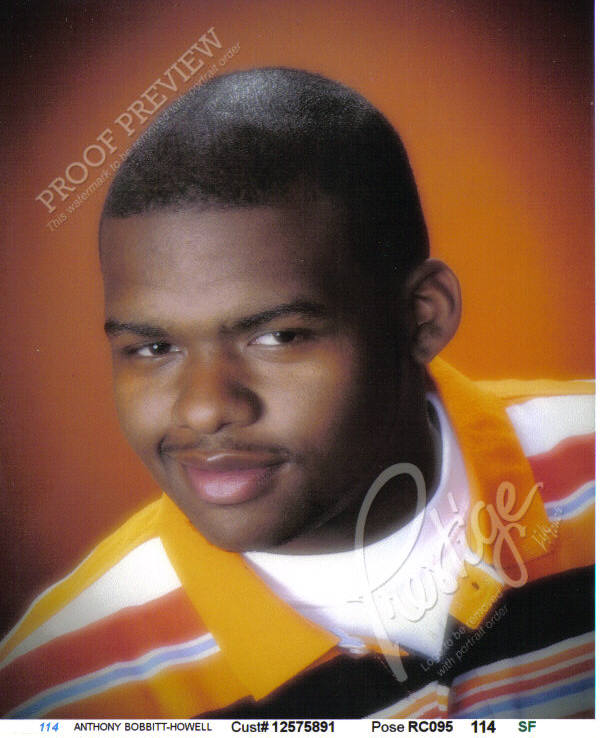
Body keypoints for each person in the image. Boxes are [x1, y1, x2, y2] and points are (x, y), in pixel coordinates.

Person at [0, 68, 594, 719]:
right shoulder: (58, 691)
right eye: (154, 348)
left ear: (422, 317)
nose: (204, 409)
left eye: (279, 337)